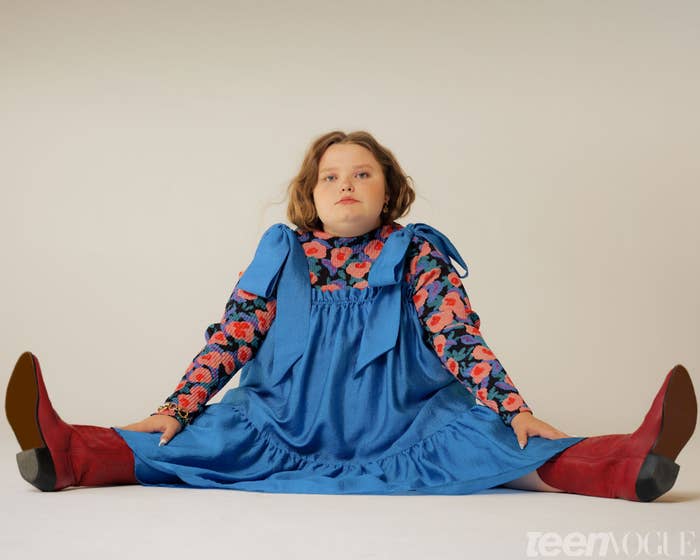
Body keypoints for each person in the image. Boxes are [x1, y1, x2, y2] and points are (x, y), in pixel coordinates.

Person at [5, 130, 697, 500]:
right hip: (284, 424)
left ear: (391, 190)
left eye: (363, 173)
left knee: (511, 445)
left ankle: (626, 465)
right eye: (330, 175)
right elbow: (232, 338)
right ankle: (65, 454)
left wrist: (513, 408)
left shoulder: (415, 252)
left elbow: (459, 337)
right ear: (310, 193)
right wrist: (177, 406)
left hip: (406, 425)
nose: (346, 184)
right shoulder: (281, 253)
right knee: (179, 442)